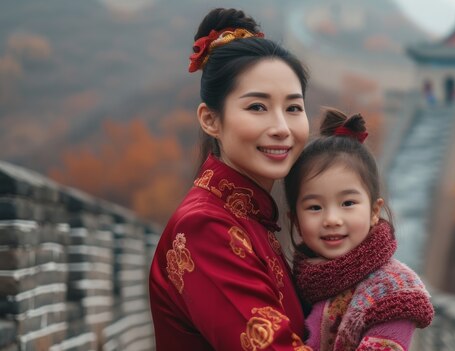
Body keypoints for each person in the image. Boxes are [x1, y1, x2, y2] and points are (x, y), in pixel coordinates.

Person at [149, 8, 313, 350]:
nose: (282, 128)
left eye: (294, 108)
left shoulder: (252, 218)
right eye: (257, 107)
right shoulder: (205, 227)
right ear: (210, 119)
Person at [284, 108, 434, 351]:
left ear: (375, 211)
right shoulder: (293, 280)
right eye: (314, 207)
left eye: (348, 203)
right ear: (295, 221)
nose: (332, 219)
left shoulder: (392, 293)